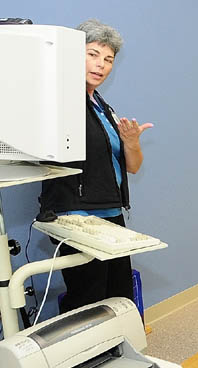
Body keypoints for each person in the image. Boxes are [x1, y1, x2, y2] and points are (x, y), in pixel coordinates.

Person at [39, 19, 153, 314]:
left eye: (108, 59)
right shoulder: (59, 100)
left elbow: (133, 167)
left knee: (119, 295)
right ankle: (88, 359)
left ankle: (116, 354)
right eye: (92, 54)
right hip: (78, 216)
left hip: (111, 212)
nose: (101, 65)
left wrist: (131, 141)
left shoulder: (101, 106)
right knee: (89, 300)